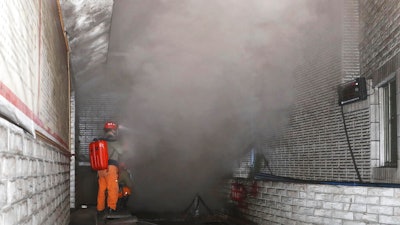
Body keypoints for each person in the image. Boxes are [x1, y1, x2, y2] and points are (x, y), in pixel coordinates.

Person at [97, 121, 124, 215]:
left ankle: (100, 209)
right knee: (113, 188)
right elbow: (121, 151)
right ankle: (111, 208)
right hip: (110, 168)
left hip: (100, 169)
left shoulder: (101, 140)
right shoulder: (113, 140)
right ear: (113, 130)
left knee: (102, 189)